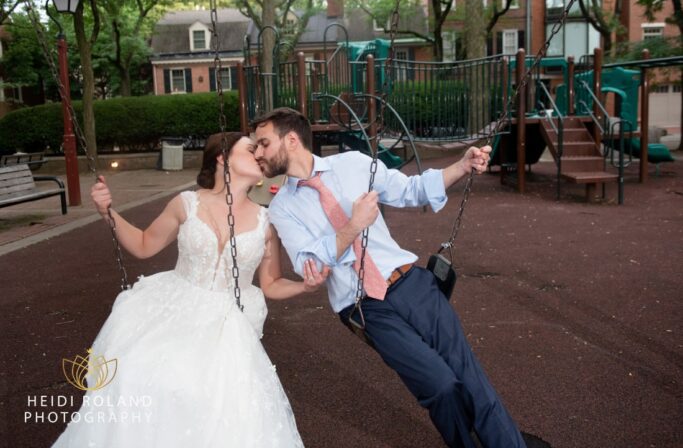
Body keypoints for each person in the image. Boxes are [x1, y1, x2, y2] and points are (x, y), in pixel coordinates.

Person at [253, 108, 527, 448]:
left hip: (412, 283)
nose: (258, 152)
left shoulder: (352, 163)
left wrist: (462, 165)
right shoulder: (281, 206)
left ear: (291, 139)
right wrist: (353, 225)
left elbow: (410, 190)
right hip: (365, 306)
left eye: (263, 143)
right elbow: (307, 262)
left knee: (471, 378)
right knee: (440, 386)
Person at [52, 132, 327, 447]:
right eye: (251, 149)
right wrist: (107, 213)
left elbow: (271, 283)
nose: (260, 154)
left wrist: (304, 286)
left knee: (218, 402)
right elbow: (144, 245)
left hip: (228, 327)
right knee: (141, 376)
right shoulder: (186, 203)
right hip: (173, 309)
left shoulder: (267, 220)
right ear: (223, 158)